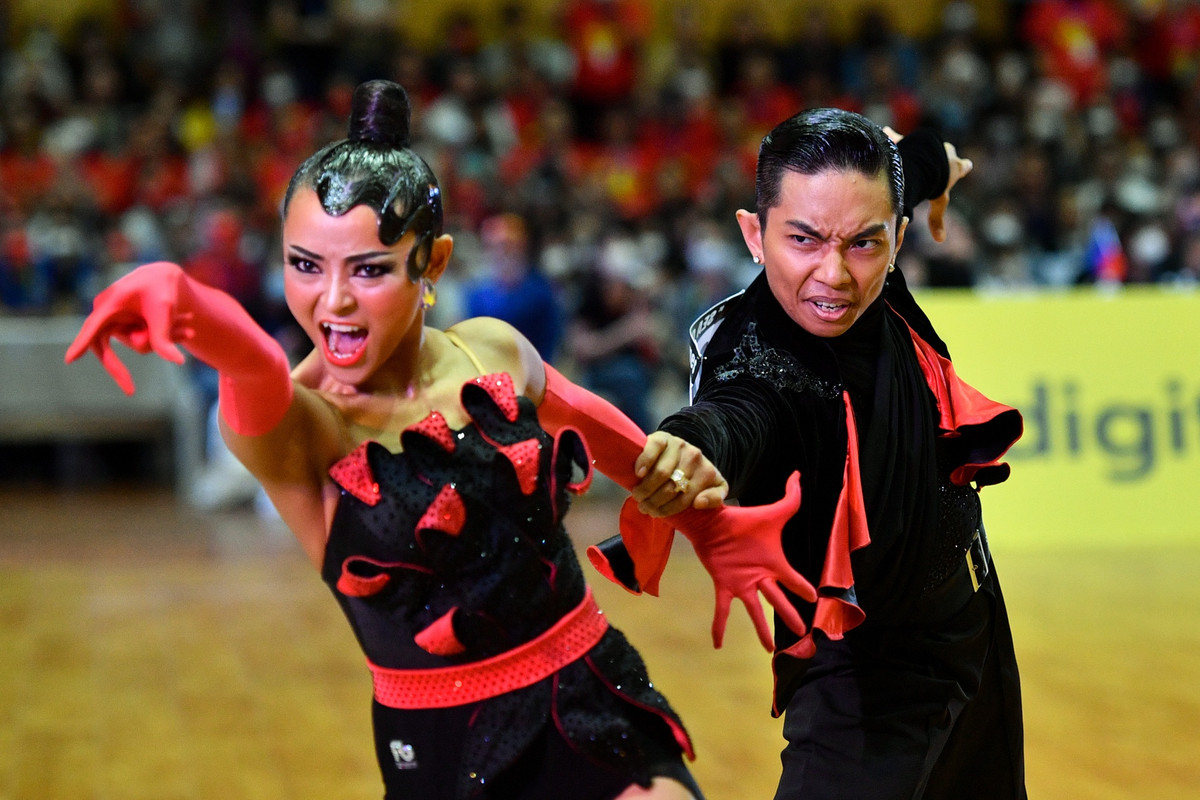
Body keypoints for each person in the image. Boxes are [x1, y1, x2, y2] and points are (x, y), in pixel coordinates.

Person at [64, 79, 813, 800]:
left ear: (435, 263)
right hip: (444, 751)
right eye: (304, 265)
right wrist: (189, 300)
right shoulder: (302, 427)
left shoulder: (493, 350)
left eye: (370, 268)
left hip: (593, 696)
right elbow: (252, 362)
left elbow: (621, 446)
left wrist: (707, 524)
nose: (333, 301)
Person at [611, 109, 1027, 798]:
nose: (832, 275)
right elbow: (735, 411)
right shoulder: (756, 354)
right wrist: (694, 443)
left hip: (975, 622)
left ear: (896, 238)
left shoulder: (872, 226)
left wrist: (938, 162)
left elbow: (914, 162)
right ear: (754, 234)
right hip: (869, 671)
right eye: (801, 239)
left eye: (863, 245)